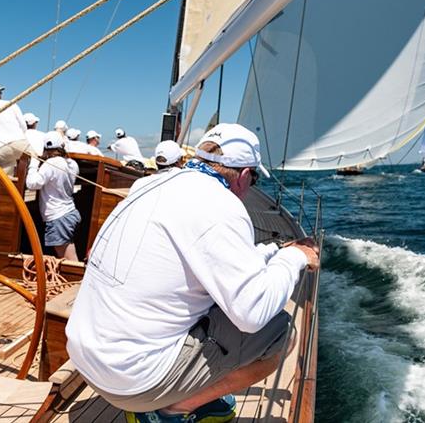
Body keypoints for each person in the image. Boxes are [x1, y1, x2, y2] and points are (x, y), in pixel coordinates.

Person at [66, 123, 320, 422]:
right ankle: (170, 409)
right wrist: (294, 256)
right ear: (242, 175)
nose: (251, 187)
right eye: (253, 179)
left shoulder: (148, 185)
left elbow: (205, 261)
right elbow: (253, 312)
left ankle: (168, 396)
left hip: (87, 362)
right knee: (279, 331)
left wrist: (272, 252)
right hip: (133, 382)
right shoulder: (220, 204)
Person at [26, 132, 81, 261]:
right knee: (68, 255)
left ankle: (76, 281)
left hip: (59, 217)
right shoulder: (72, 164)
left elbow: (32, 184)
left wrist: (34, 164)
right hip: (69, 214)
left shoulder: (51, 164)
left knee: (69, 260)